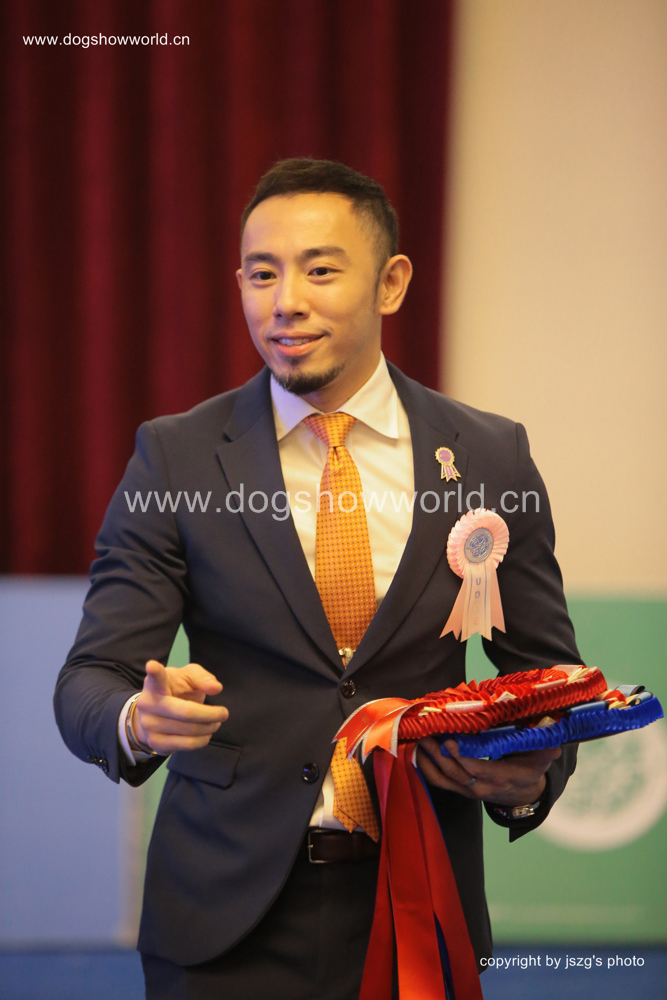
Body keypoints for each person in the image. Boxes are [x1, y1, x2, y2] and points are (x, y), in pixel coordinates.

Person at [54, 158, 580, 1000]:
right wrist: (137, 719)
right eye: (262, 274)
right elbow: (89, 679)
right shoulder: (176, 455)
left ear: (391, 283)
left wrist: (530, 775)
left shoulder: (489, 455)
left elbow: (547, 678)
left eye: (320, 270)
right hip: (221, 920)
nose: (284, 301)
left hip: (419, 908)